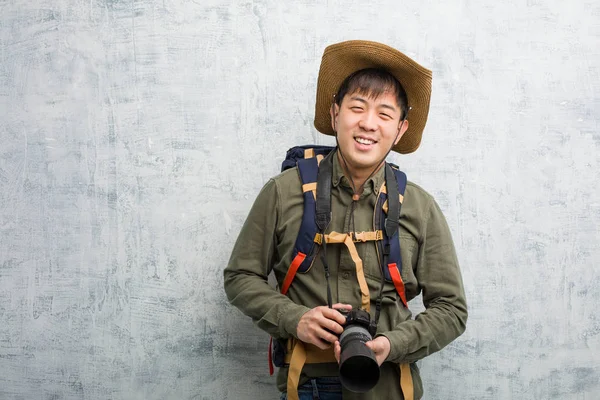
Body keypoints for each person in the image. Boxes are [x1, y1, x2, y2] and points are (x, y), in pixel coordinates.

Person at [224, 40, 467, 400]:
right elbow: (240, 277)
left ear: (400, 129)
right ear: (335, 114)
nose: (368, 123)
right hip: (307, 385)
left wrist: (391, 343)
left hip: (389, 385)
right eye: (357, 108)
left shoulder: (420, 206)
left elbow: (452, 309)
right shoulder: (282, 192)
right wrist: (295, 319)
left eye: (384, 114)